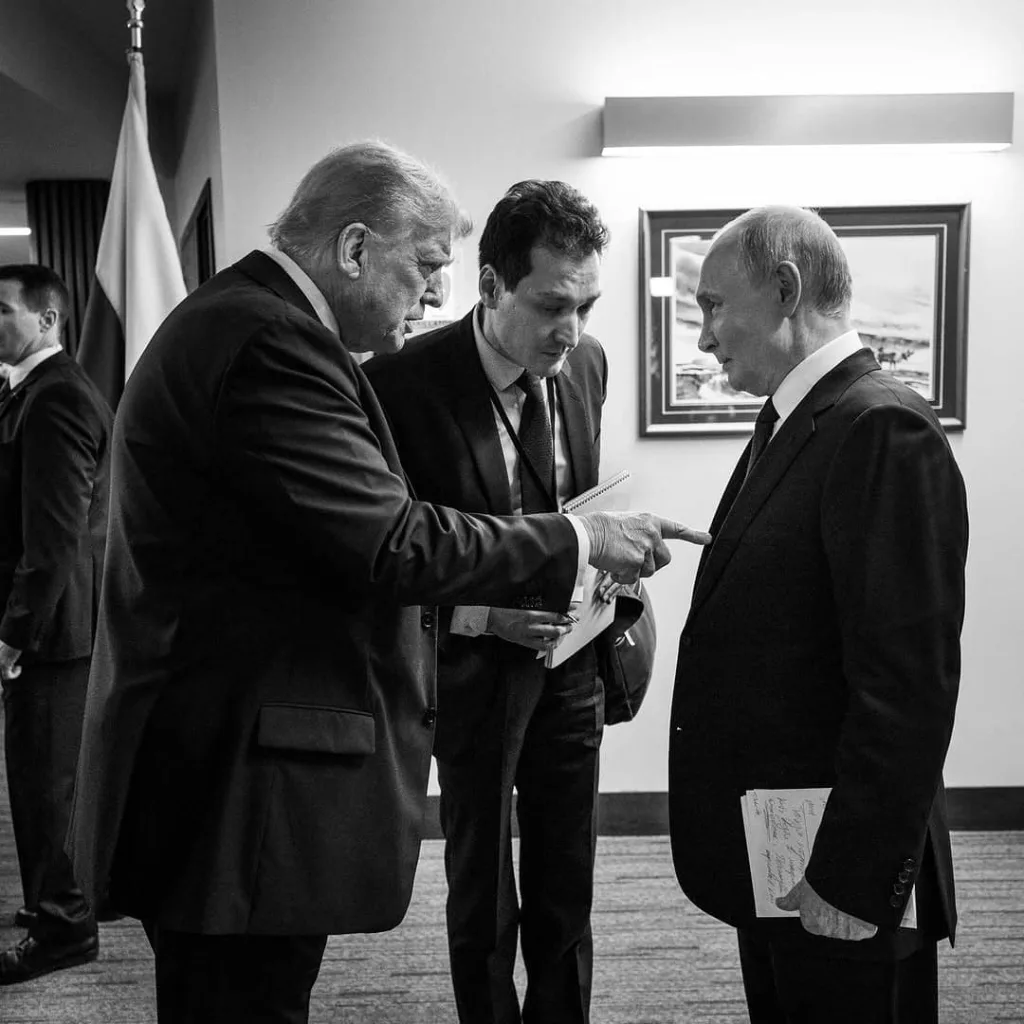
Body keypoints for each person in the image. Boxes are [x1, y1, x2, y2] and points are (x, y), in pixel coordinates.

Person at [66, 141, 709, 1024]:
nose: (436, 295)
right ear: (356, 248)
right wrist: (578, 538)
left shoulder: (255, 322)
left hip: (245, 755)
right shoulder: (271, 344)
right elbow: (393, 541)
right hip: (238, 780)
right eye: (428, 266)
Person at [668, 205, 968, 1024]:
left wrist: (853, 878)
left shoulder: (880, 429)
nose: (703, 339)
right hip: (781, 859)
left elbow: (907, 685)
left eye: (714, 307)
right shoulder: (796, 418)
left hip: (839, 879)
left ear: (787, 288)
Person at [368, 179, 617, 1023]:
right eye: (551, 305)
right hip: (468, 670)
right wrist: (484, 615)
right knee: (482, 888)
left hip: (574, 663)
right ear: (488, 287)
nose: (571, 329)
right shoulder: (399, 384)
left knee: (566, 878)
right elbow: (391, 562)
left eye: (586, 303)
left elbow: (575, 508)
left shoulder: (586, 364)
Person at [0, 264, 111, 984]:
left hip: (55, 627)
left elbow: (55, 537)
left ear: (46, 320)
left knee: (47, 785)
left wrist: (14, 633)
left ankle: (64, 927)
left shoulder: (58, 397)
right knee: (43, 779)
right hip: (49, 622)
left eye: (1, 310)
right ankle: (52, 900)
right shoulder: (29, 393)